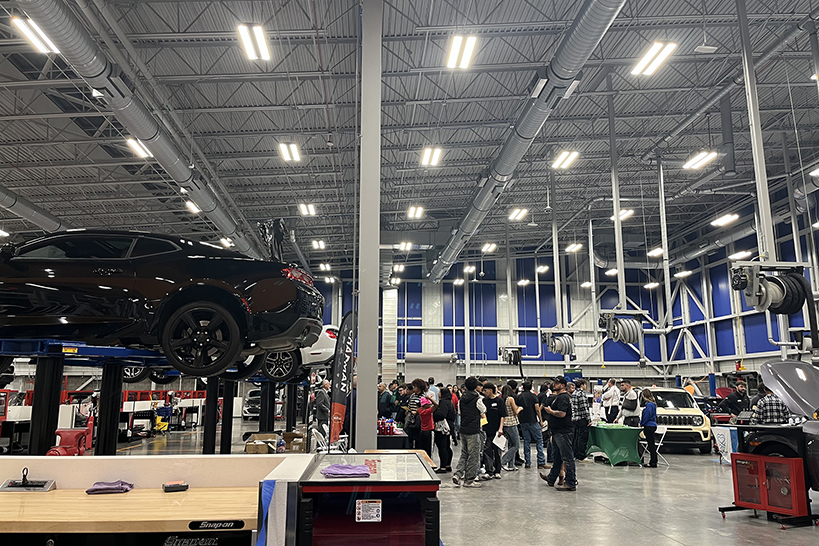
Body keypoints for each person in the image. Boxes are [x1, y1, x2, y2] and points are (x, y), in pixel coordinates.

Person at [539, 376, 576, 491]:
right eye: (554, 382)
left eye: (557, 383)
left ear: (563, 385)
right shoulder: (559, 397)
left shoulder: (563, 398)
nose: (554, 384)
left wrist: (551, 412)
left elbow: (562, 414)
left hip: (563, 431)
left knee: (567, 457)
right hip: (556, 431)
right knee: (558, 457)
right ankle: (551, 478)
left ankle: (570, 482)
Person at [453, 376, 486, 488]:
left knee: (464, 453)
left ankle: (458, 474)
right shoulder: (478, 399)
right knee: (474, 455)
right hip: (474, 430)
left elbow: (460, 413)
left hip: (463, 428)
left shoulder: (461, 398)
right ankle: (469, 480)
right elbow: (484, 410)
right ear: (476, 386)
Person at [516, 381, 545, 469]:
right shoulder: (533, 396)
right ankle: (541, 462)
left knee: (526, 441)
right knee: (539, 440)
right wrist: (541, 420)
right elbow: (537, 409)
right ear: (531, 386)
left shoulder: (519, 397)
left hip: (523, 422)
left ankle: (527, 463)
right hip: (533, 421)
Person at [480, 382, 506, 479]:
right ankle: (489, 471)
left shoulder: (499, 401)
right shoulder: (484, 401)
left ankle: (497, 470)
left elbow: (503, 416)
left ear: (490, 390)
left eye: (485, 390)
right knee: (487, 450)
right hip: (487, 430)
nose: (484, 392)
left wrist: (501, 428)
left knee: (497, 451)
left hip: (497, 431)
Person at [433, 388, 456, 473]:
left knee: (442, 446)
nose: (438, 393)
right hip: (449, 426)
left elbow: (441, 414)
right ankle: (448, 465)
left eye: (439, 392)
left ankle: (443, 467)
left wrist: (433, 413)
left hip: (442, 427)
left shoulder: (443, 402)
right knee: (447, 446)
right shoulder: (450, 402)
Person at [500, 384, 521, 471]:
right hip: (511, 423)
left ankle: (511, 465)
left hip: (505, 423)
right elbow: (515, 412)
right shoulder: (510, 399)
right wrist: (520, 409)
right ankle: (503, 461)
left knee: (511, 444)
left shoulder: (502, 400)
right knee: (516, 445)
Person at [570, 379, 591, 461]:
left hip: (575, 419)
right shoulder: (581, 394)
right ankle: (582, 456)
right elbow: (584, 409)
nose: (586, 386)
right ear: (582, 385)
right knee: (583, 438)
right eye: (585, 384)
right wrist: (589, 420)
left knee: (577, 437)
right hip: (582, 419)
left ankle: (576, 454)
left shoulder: (574, 393)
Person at [405, 378, 426, 449]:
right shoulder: (412, 396)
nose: (413, 388)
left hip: (419, 418)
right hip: (411, 416)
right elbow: (410, 405)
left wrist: (417, 412)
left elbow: (425, 408)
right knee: (408, 433)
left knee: (417, 437)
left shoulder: (424, 396)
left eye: (415, 387)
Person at [640, 388, 658, 468]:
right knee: (651, 444)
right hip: (652, 425)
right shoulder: (652, 404)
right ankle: (653, 461)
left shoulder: (649, 405)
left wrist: (641, 423)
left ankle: (653, 462)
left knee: (651, 445)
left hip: (649, 426)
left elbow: (647, 416)